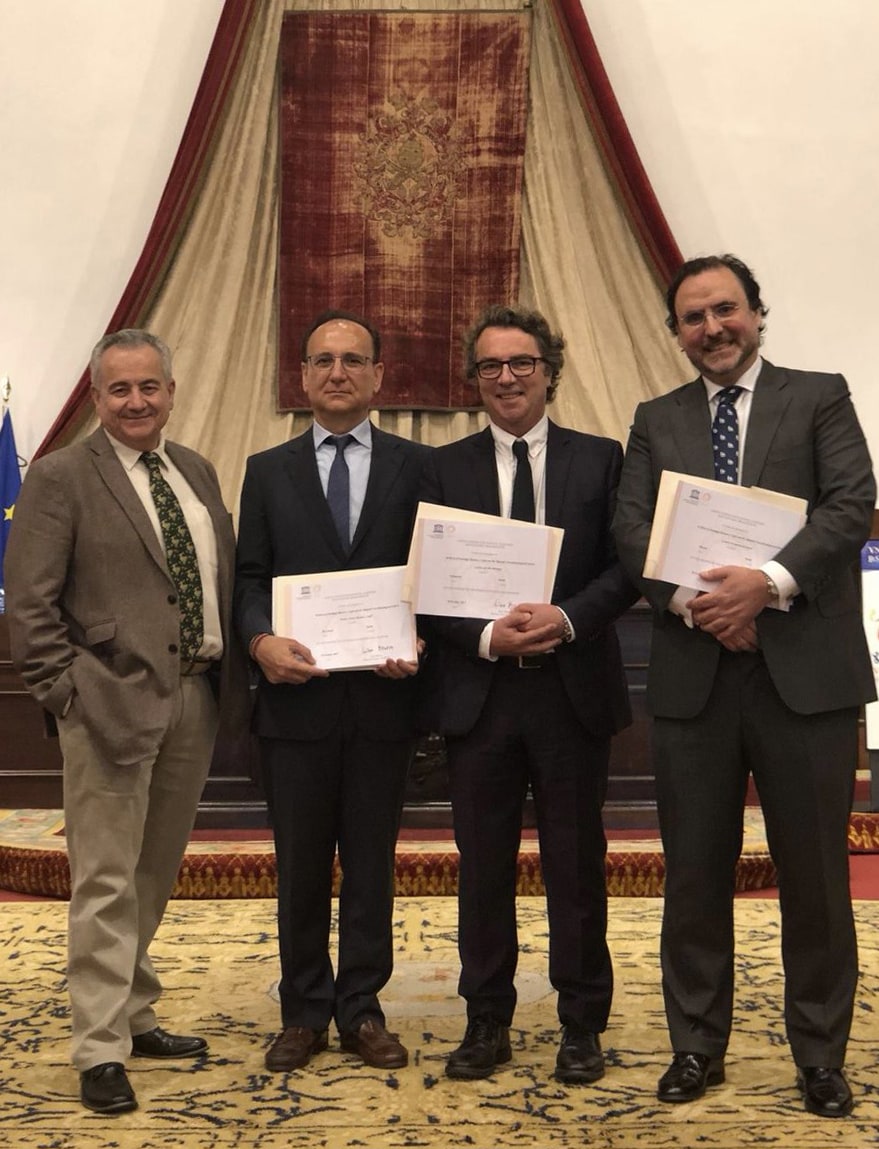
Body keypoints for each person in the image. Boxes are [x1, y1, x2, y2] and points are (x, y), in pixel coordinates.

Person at [612, 254, 876, 1119]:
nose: (711, 328)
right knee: (692, 872)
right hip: (696, 678)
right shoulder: (656, 418)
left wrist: (764, 582)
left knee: (814, 875)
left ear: (756, 313)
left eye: (724, 310)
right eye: (692, 317)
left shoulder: (819, 395)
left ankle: (818, 1053)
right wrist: (699, 603)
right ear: (676, 333)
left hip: (806, 676)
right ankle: (695, 1044)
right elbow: (631, 529)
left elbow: (848, 504)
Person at [4, 329, 248, 1115]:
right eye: (120, 390)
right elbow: (32, 605)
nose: (137, 401)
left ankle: (134, 1012)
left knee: (153, 870)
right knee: (105, 879)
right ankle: (99, 1047)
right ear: (98, 397)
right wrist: (66, 692)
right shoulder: (60, 476)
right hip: (104, 703)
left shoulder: (197, 471)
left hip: (196, 697)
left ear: (172, 391)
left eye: (150, 386)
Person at [418, 304, 637, 1083]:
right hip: (480, 696)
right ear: (473, 379)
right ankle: (486, 1020)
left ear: (549, 369)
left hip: (571, 692)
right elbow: (425, 586)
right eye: (490, 366)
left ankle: (581, 1024)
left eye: (521, 363)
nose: (506, 377)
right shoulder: (440, 468)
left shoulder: (602, 458)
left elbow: (626, 566)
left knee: (576, 867)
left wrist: (567, 619)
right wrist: (485, 636)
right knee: (481, 867)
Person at [235, 309, 431, 1073]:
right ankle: (303, 1011)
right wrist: (258, 640)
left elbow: (431, 577)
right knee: (302, 866)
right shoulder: (265, 469)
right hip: (295, 706)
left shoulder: (420, 467)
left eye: (353, 360)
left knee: (373, 865)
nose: (338, 372)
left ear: (380, 376)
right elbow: (250, 576)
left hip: (385, 703)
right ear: (303, 377)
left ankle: (363, 1008)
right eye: (322, 360)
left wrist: (415, 638)